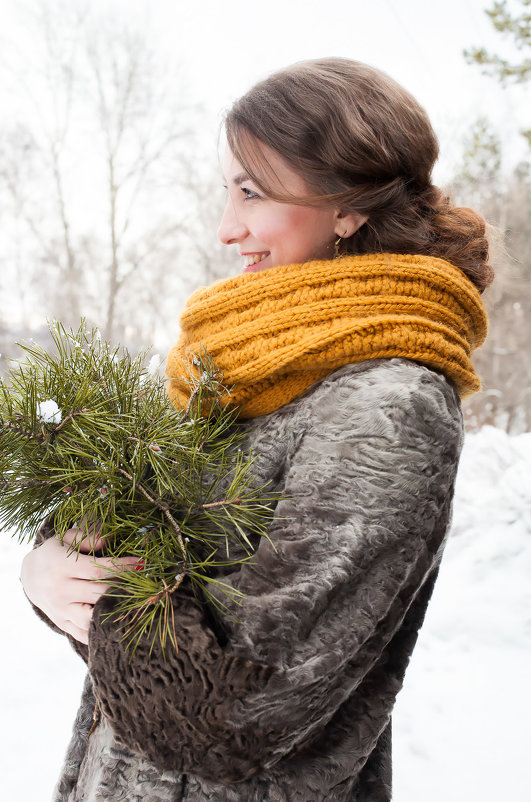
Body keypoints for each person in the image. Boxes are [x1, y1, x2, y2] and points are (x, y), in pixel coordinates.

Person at [20, 58, 491, 801]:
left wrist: (90, 599)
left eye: (252, 191)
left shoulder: (388, 406)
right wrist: (55, 560)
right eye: (227, 187)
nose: (225, 226)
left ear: (347, 208)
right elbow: (165, 572)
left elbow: (227, 713)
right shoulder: (251, 367)